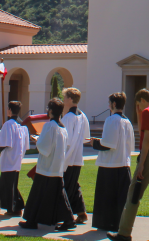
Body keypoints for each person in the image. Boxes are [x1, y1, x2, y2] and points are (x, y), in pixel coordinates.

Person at [109, 89, 149, 241]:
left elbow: (146, 140)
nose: (138, 107)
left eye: (138, 104)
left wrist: (141, 164)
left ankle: (124, 232)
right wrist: (139, 115)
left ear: (141, 100)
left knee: (134, 195)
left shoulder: (147, 113)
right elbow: (145, 133)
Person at [21, 97, 75, 230]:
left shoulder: (49, 126)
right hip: (57, 167)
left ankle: (32, 221)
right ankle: (67, 220)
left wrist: (37, 140)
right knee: (58, 195)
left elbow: (45, 147)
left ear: (50, 111)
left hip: (46, 167)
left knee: (37, 194)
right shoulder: (63, 128)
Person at [90, 92, 135, 232]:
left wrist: (95, 143)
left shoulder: (111, 120)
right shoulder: (127, 121)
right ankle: (120, 224)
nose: (108, 105)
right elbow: (130, 146)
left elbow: (108, 144)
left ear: (114, 104)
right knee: (121, 198)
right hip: (123, 163)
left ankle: (106, 223)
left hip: (110, 165)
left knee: (107, 197)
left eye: (109, 103)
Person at [0, 100, 31, 216]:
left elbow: (5, 143)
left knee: (9, 184)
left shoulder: (8, 124)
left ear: (10, 110)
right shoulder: (23, 126)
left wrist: (0, 152)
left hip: (8, 158)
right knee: (7, 182)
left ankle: (15, 207)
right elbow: (27, 146)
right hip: (17, 158)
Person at [62, 87, 90, 225]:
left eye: (65, 97)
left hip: (68, 159)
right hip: (78, 158)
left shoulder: (68, 117)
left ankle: (67, 216)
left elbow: (65, 140)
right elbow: (86, 138)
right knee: (73, 185)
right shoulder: (83, 116)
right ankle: (81, 212)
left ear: (70, 99)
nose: (63, 99)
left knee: (65, 187)